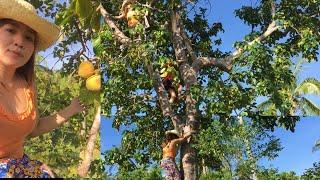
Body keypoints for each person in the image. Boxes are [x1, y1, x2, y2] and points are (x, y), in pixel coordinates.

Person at [0, 0, 86, 178]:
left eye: (28, 37)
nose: (19, 42)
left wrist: (72, 109)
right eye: (10, 30)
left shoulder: (27, 83)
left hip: (21, 166)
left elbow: (33, 129)